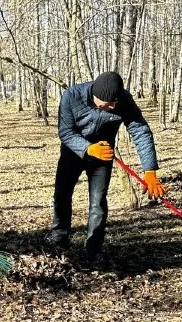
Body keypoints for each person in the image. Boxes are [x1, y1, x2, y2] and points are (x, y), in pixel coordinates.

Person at [47, 71, 166, 264]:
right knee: (62, 195)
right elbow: (65, 132)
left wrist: (150, 170)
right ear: (94, 94)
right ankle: (59, 239)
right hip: (73, 153)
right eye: (106, 103)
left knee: (98, 201)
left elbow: (140, 131)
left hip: (103, 156)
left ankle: (93, 248)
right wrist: (88, 148)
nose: (111, 107)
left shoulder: (124, 100)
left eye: (114, 103)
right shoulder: (72, 95)